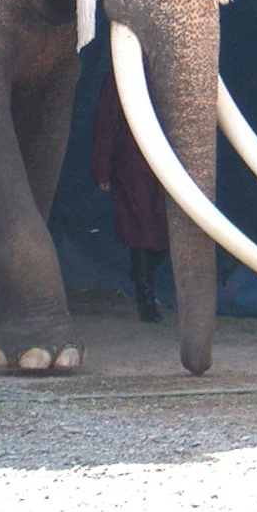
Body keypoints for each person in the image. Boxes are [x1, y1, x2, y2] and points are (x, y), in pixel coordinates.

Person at [90, 70, 169, 323]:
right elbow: (106, 121)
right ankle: (145, 298)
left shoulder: (165, 71)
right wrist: (101, 167)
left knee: (165, 228)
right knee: (141, 228)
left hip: (168, 161)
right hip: (133, 161)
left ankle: (140, 272)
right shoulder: (122, 73)